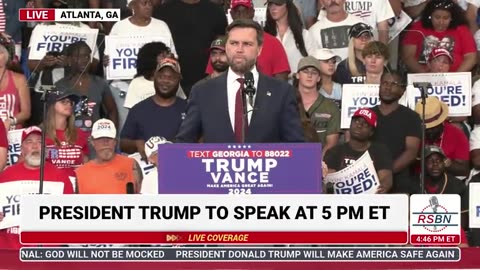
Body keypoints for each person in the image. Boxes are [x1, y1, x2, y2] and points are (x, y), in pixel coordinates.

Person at [176, 19, 304, 143]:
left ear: (259, 49)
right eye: (234, 43)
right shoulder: (202, 92)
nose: (239, 49)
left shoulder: (281, 92)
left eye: (247, 44)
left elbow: (296, 145)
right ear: (226, 47)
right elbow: (184, 141)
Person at [0, 126, 74, 250]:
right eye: (29, 142)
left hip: (47, 252)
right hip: (10, 251)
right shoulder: (6, 175)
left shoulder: (60, 176)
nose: (35, 146)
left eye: (40, 142)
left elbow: (71, 216)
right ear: (21, 149)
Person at [154, 0, 228, 96]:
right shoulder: (161, 12)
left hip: (208, 80)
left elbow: (221, 46)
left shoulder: (216, 11)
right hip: (170, 81)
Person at [205, 0, 291, 81]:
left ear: (252, 12)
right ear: (231, 13)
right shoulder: (221, 43)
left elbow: (281, 79)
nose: (241, 15)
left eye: (245, 11)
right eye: (237, 11)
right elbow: (211, 76)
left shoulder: (273, 43)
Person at [120, 57, 187, 159]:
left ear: (179, 79)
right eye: (161, 76)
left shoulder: (189, 109)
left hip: (181, 167)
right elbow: (123, 143)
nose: (165, 81)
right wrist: (136, 144)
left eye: (171, 77)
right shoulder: (138, 110)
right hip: (147, 171)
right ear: (155, 77)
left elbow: (201, 139)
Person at [371, 70, 422, 193]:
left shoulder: (411, 117)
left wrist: (385, 175)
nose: (388, 87)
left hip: (401, 182)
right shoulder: (367, 115)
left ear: (402, 90)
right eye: (385, 83)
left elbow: (411, 151)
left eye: (394, 84)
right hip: (369, 182)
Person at [323, 108, 393, 193]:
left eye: (365, 124)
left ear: (371, 132)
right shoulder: (335, 151)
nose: (359, 125)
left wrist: (383, 187)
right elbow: (329, 180)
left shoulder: (380, 151)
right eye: (356, 121)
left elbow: (386, 178)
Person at [55, 41, 119, 131]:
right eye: (79, 56)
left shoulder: (100, 83)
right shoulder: (60, 86)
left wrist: (111, 133)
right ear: (69, 60)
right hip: (69, 139)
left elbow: (112, 110)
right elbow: (53, 116)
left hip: (95, 138)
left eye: (87, 56)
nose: (84, 60)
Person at [402, 0, 476, 72]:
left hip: (455, 79)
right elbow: (408, 56)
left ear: (451, 18)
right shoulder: (418, 28)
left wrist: (456, 76)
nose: (441, 21)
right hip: (423, 76)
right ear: (430, 16)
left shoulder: (461, 29)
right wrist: (422, 72)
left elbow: (471, 57)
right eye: (437, 17)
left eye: (445, 18)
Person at [76, 119, 143, 194]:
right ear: (92, 141)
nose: (105, 142)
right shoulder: (80, 173)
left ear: (115, 141)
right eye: (100, 138)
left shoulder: (131, 165)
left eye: (109, 138)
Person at [415, 97, 470, 178]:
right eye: (425, 129)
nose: (429, 131)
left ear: (441, 122)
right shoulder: (412, 133)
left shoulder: (457, 135)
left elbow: (464, 170)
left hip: (447, 183)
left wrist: (443, 162)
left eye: (433, 127)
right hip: (417, 182)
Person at [295, 56, 340, 154]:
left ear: (319, 78)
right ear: (298, 75)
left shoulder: (331, 108)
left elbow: (332, 143)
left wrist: (317, 162)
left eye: (314, 72)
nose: (309, 75)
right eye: (305, 71)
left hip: (321, 163)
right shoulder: (286, 104)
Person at [124, 42, 186, 110]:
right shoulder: (136, 83)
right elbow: (132, 111)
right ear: (150, 59)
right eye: (163, 55)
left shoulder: (172, 81)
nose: (167, 58)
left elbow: (182, 104)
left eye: (167, 54)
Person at [43, 90, 89, 178]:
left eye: (70, 103)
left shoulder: (80, 134)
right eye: (63, 102)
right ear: (51, 105)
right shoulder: (40, 134)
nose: (68, 105)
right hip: (50, 184)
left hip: (75, 186)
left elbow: (85, 165)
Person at [264, 0, 315, 78]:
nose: (273, 8)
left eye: (278, 4)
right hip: (271, 86)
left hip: (298, 86)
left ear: (287, 5)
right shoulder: (263, 36)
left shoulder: (305, 35)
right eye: (270, 4)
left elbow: (314, 63)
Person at [0, 43, 30, 130]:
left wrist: (10, 121)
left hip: (12, 132)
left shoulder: (19, 79)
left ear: (7, 56)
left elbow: (26, 112)